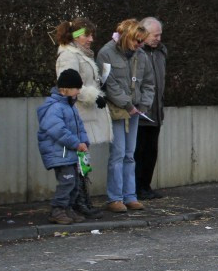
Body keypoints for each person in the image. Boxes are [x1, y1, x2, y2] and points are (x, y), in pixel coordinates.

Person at [97, 19, 155, 213]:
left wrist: (144, 104)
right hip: (117, 110)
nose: (140, 45)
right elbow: (109, 84)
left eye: (142, 41)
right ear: (127, 37)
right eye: (137, 41)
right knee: (118, 153)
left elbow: (148, 82)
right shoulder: (106, 53)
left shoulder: (141, 55)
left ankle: (130, 196)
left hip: (136, 110)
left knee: (130, 154)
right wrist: (127, 104)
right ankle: (115, 197)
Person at [55, 18, 109, 219]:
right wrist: (94, 96)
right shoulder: (69, 55)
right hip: (77, 113)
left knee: (83, 158)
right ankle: (78, 202)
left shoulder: (80, 54)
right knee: (78, 158)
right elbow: (68, 84)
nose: (91, 39)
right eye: (87, 35)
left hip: (83, 112)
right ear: (76, 36)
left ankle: (83, 200)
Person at [36, 70, 90, 225]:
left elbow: (79, 126)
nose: (79, 91)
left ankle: (67, 208)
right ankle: (57, 209)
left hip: (70, 153)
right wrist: (76, 143)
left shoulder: (70, 106)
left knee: (73, 182)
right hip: (61, 153)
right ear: (65, 89)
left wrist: (84, 142)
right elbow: (58, 130)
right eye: (76, 88)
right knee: (67, 181)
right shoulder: (55, 107)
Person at [135, 17, 167, 200]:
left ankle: (146, 185)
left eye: (160, 34)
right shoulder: (138, 52)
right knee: (138, 150)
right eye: (155, 35)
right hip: (140, 111)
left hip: (156, 110)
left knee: (151, 150)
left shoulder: (161, 52)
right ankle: (136, 187)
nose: (158, 38)